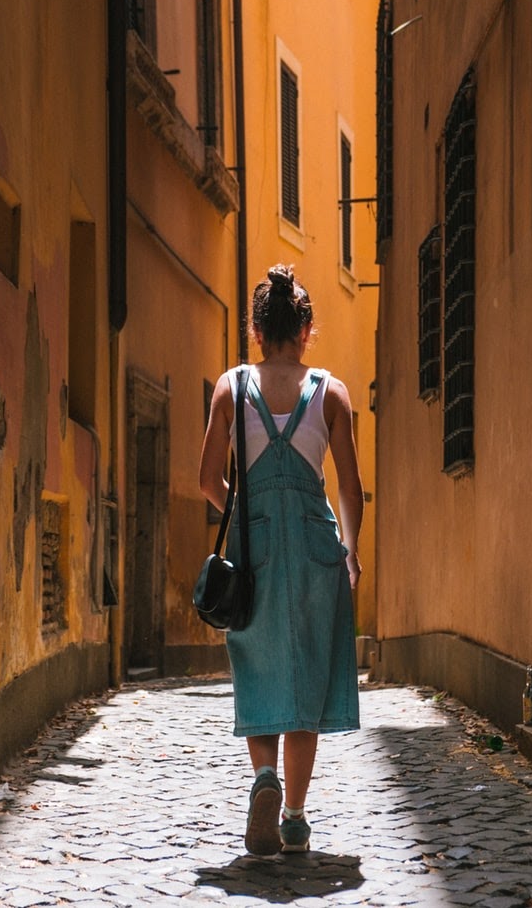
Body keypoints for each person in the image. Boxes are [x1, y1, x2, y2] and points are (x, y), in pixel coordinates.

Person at [199, 264, 364, 856]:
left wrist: (244, 511)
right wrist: (350, 550)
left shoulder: (231, 386)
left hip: (256, 546)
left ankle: (263, 778)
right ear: (307, 329)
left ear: (256, 329)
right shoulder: (331, 392)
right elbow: (349, 487)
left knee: (260, 663)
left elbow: (207, 481)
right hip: (317, 545)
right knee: (307, 675)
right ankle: (293, 813)